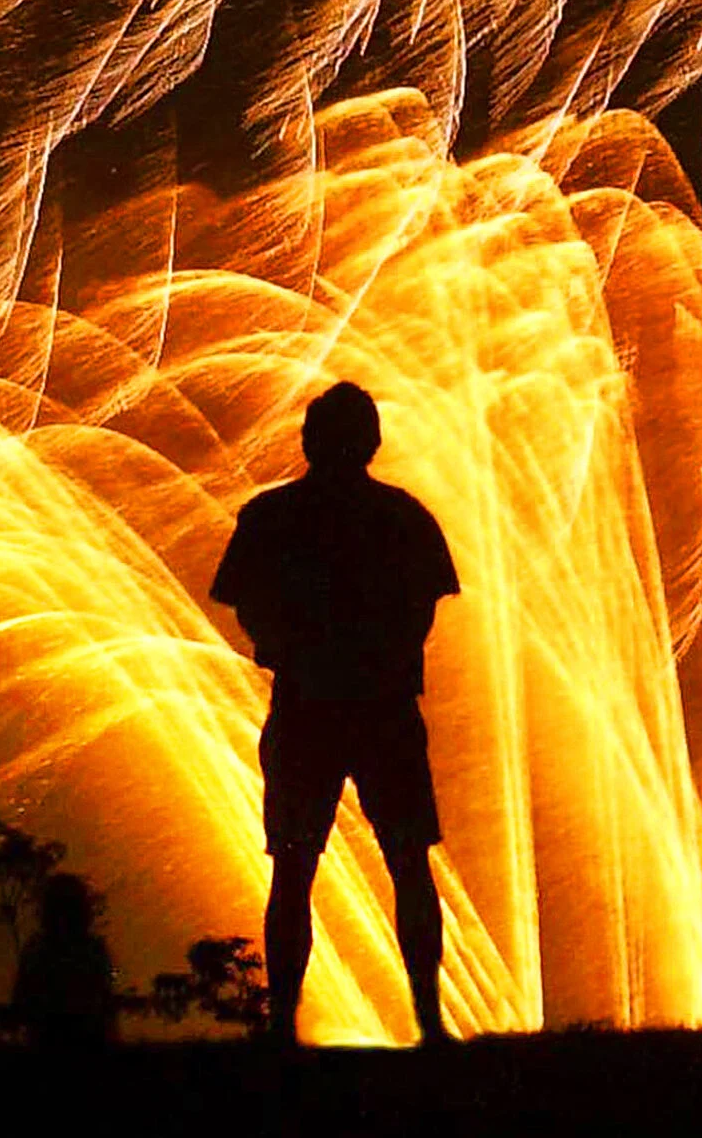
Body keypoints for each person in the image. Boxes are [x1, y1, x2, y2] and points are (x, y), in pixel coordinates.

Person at [210, 380, 459, 1047]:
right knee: (408, 859)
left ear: (309, 441)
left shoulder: (271, 516)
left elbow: (239, 599)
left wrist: (284, 645)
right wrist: (387, 652)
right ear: (373, 442)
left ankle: (283, 1024)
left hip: (305, 703)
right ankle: (430, 1020)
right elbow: (426, 607)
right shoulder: (403, 516)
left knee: (294, 864)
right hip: (384, 706)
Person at [11, 870, 118, 1053]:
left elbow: (22, 1001)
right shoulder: (93, 949)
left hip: (45, 1046)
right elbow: (105, 1003)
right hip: (88, 1047)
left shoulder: (36, 950)